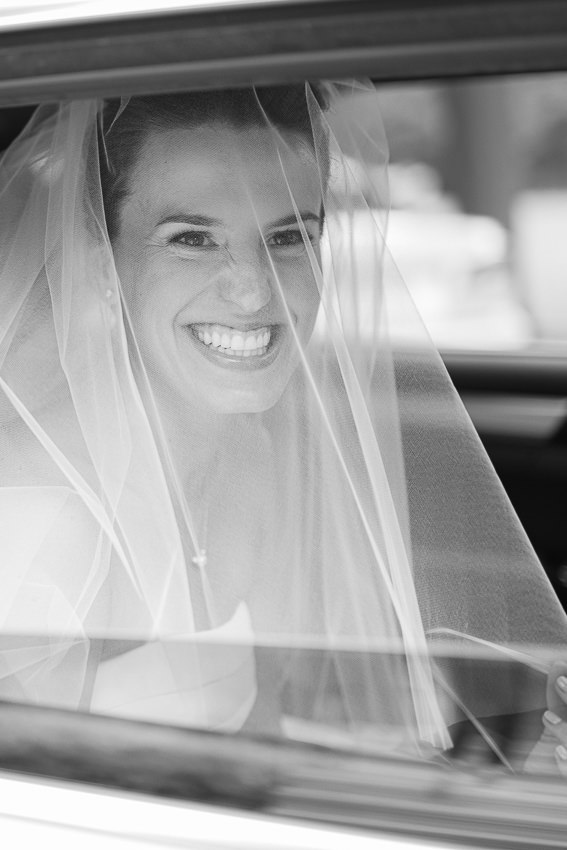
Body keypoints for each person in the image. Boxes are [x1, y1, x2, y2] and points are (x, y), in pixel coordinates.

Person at [0, 81, 566, 764]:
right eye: (193, 239)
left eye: (289, 235)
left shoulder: (264, 454)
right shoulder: (35, 523)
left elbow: (271, 739)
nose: (253, 289)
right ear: (100, 264)